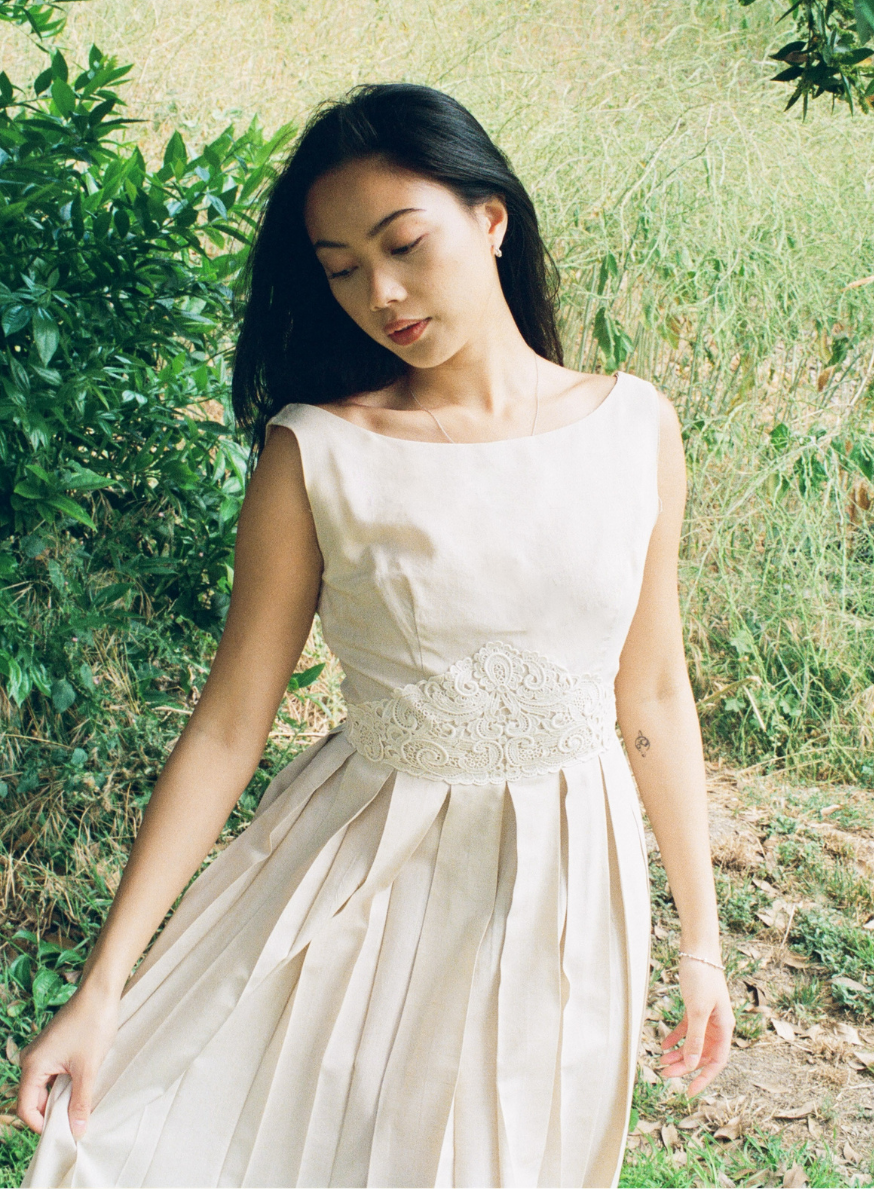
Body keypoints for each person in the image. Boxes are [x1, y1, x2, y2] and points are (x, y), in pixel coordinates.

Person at [17, 82, 735, 1189]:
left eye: (404, 245)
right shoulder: (318, 453)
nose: (382, 294)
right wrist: (103, 984)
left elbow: (652, 696)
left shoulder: (635, 426)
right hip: (369, 864)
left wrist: (701, 943)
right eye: (341, 268)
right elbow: (227, 727)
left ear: (490, 219)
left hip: (569, 878)